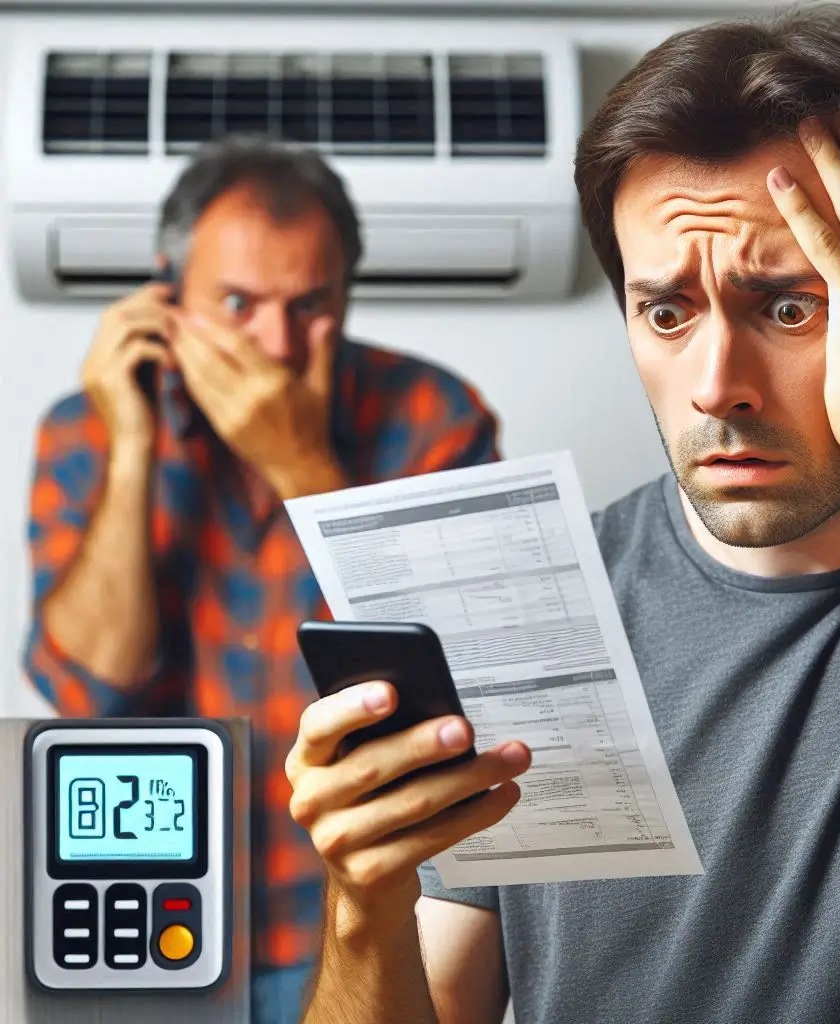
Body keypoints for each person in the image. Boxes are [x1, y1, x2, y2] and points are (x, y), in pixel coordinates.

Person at [286, 5, 840, 1024]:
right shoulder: (526, 610)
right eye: (666, 311)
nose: (716, 385)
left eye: (789, 305)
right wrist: (362, 906)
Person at [22, 138, 501, 1023]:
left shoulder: (436, 418)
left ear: (347, 291)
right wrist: (133, 449)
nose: (276, 346)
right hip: (153, 917)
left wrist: (303, 466)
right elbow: (85, 693)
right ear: (167, 292)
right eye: (238, 304)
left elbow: (462, 701)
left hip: (351, 922)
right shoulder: (82, 430)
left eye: (310, 305)